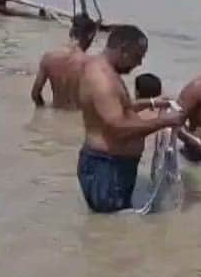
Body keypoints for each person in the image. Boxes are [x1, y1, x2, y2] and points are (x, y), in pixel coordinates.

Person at [76, 25, 183, 214]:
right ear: (123, 49)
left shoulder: (104, 71)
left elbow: (118, 110)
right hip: (107, 168)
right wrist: (166, 122)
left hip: (110, 166)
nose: (140, 63)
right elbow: (119, 128)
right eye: (137, 56)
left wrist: (152, 103)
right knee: (110, 230)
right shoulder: (103, 79)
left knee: (114, 226)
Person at [31, 13, 98, 110]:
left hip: (55, 115)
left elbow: (35, 94)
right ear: (90, 35)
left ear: (71, 32)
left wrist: (42, 111)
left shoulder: (49, 58)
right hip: (78, 120)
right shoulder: (91, 64)